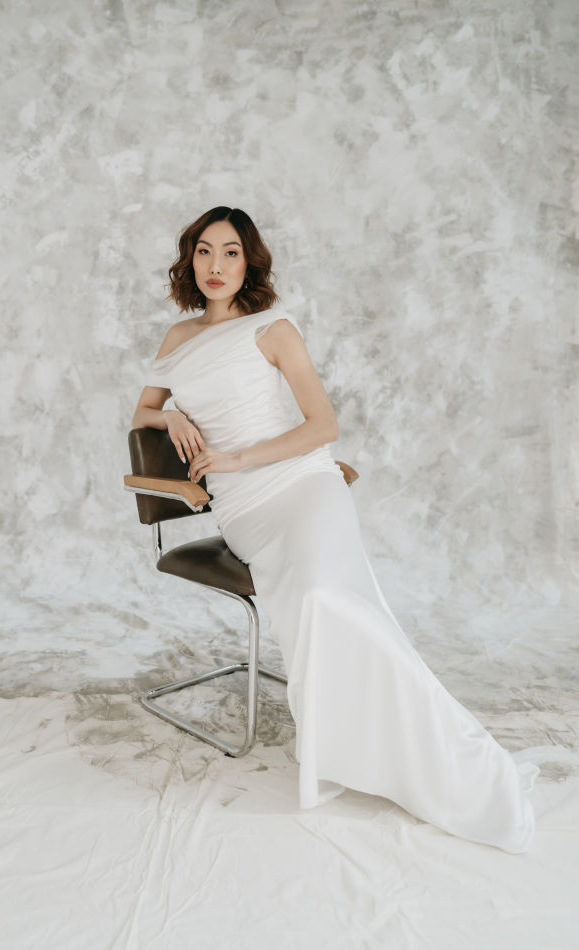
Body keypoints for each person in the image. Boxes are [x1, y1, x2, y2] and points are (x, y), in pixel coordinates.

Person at [132, 206, 537, 853]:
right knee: (315, 601)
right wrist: (172, 415)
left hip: (302, 482)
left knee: (328, 596)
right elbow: (141, 412)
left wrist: (235, 456)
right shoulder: (178, 338)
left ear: (249, 262)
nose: (216, 265)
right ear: (190, 259)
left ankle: (425, 752)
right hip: (245, 508)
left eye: (230, 252)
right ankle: (346, 741)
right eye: (204, 251)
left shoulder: (273, 327)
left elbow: (322, 426)